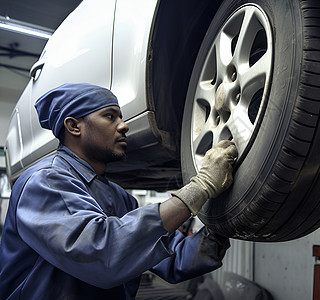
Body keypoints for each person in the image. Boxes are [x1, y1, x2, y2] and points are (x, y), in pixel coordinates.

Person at [0, 83, 238, 299]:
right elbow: (103, 253)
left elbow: (175, 258)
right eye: (110, 116)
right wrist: (200, 188)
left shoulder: (120, 197)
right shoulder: (46, 181)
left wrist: (228, 217)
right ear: (74, 126)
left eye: (121, 117)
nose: (124, 126)